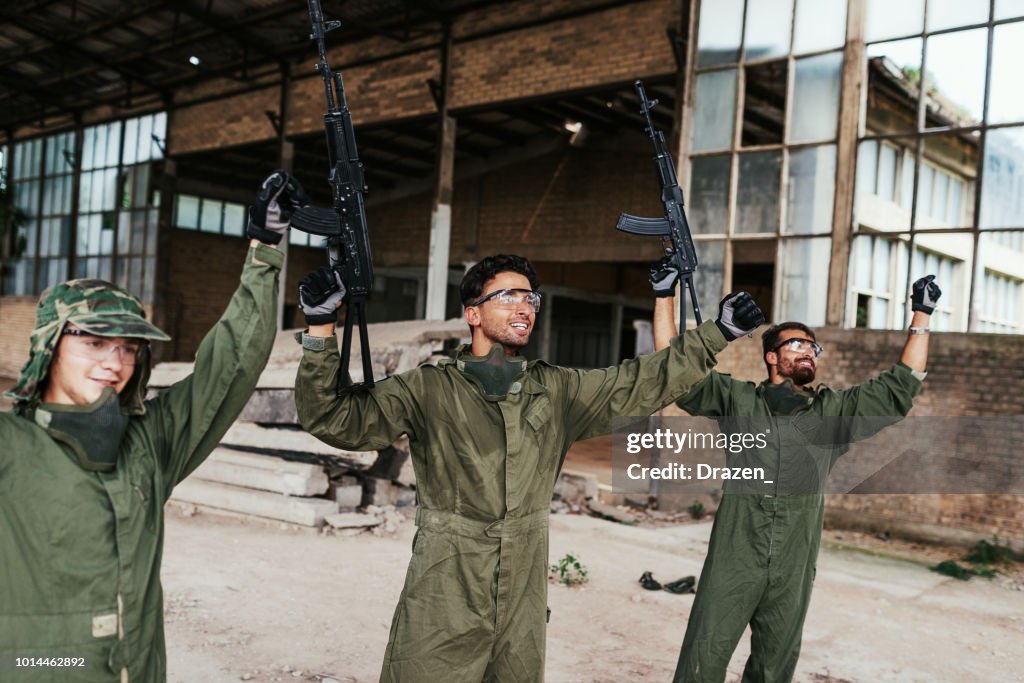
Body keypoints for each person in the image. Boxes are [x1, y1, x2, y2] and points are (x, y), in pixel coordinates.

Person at [293, 253, 765, 682]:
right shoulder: (426, 389)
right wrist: (320, 327)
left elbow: (642, 382)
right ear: (473, 313)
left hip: (523, 587)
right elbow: (336, 420)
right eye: (508, 296)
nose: (525, 307)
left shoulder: (557, 391)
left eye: (531, 298)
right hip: (446, 578)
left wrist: (717, 332)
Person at [0, 170, 309, 681]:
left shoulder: (147, 443)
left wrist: (265, 250)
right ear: (50, 347)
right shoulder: (11, 445)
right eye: (94, 342)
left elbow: (226, 369)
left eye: (128, 347)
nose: (113, 362)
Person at [651, 268, 941, 683]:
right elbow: (674, 370)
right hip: (735, 555)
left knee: (774, 669)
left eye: (813, 346)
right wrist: (665, 296)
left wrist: (922, 315)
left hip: (794, 563)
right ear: (772, 356)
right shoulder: (737, 400)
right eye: (797, 344)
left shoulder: (832, 413)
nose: (809, 351)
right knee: (703, 659)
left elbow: (900, 388)